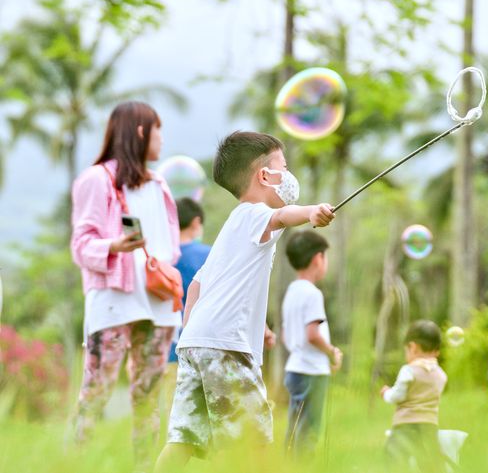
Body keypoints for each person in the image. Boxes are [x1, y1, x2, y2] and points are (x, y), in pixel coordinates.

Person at [154, 131, 335, 471]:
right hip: (226, 345)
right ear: (265, 175)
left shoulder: (230, 229)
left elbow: (195, 289)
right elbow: (281, 217)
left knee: (183, 440)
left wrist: (199, 337)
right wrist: (312, 212)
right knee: (254, 444)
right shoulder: (254, 213)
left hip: (194, 344)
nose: (289, 174)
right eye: (284, 166)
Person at [70, 101, 181, 471]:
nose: (162, 139)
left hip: (158, 302)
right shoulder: (96, 179)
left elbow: (171, 247)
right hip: (114, 300)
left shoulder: (160, 185)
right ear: (139, 131)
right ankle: (70, 463)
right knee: (96, 391)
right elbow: (81, 245)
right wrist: (114, 246)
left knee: (148, 398)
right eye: (158, 129)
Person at [282, 230, 342, 455]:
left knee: (294, 430)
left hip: (295, 369)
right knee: (310, 431)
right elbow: (313, 334)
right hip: (312, 372)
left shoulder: (292, 291)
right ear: (318, 259)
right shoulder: (313, 293)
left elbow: (287, 335)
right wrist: (331, 352)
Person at [381, 320, 447, 473]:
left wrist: (386, 393)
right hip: (429, 427)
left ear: (413, 347)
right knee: (431, 466)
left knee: (395, 462)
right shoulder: (441, 375)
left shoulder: (408, 370)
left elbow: (397, 396)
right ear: (437, 351)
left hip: (405, 427)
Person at [167, 197, 211, 364]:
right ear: (196, 222)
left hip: (164, 340)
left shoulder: (161, 256)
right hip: (199, 341)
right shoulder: (208, 255)